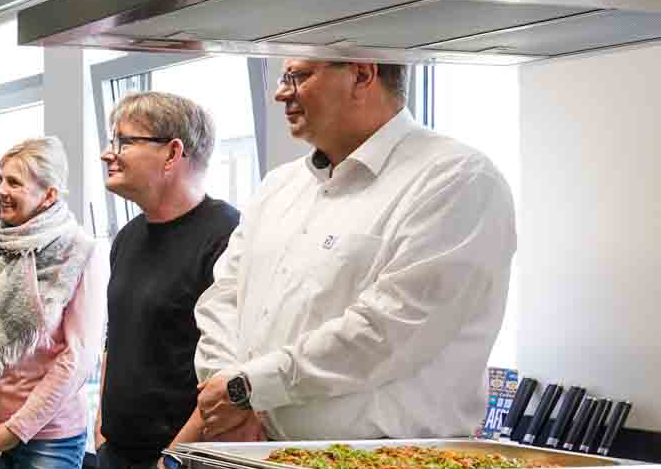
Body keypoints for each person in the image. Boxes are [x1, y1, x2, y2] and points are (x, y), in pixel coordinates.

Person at [194, 61, 516, 442]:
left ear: (363, 75)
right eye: (284, 79)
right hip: (257, 456)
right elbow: (223, 298)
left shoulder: (456, 179)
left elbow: (389, 330)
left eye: (298, 77)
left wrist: (249, 389)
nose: (281, 93)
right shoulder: (278, 186)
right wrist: (230, 392)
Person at [91, 92, 240, 469]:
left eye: (124, 141)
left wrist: (175, 459)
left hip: (184, 466)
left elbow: (230, 363)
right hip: (116, 458)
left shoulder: (227, 236)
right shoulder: (127, 237)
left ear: (173, 153)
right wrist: (102, 432)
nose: (109, 154)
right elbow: (116, 339)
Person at [0, 137, 105, 469]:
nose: (1, 190)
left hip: (48, 438)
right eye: (0, 179)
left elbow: (77, 357)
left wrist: (17, 429)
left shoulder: (78, 251)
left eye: (14, 182)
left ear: (49, 195)